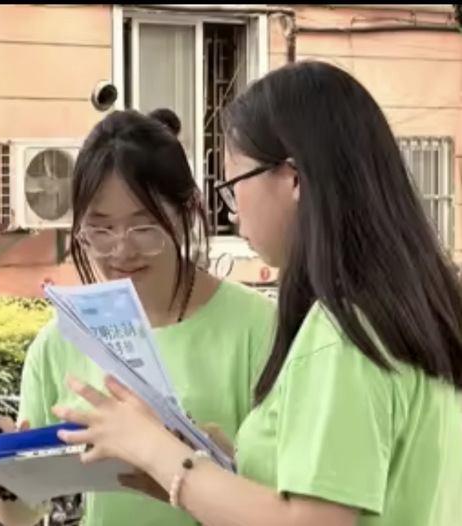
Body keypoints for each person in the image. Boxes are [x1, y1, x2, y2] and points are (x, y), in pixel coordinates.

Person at [53, 60, 462, 526]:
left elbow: (311, 521)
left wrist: (155, 449)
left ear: (293, 178)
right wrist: (214, 465)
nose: (234, 212)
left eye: (234, 186)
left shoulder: (342, 335)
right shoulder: (410, 313)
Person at [0, 108, 277, 526]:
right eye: (101, 230)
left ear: (187, 212)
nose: (121, 251)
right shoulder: (60, 341)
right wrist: (9, 477)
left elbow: (291, 502)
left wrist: (199, 457)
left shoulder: (260, 328)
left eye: (144, 228)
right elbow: (21, 516)